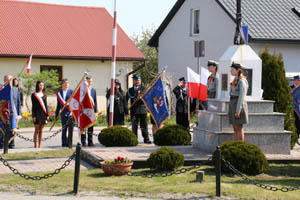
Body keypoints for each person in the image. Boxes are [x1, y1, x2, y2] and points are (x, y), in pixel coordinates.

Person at [126, 74, 151, 144]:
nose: (137, 81)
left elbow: (148, 99)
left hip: (143, 110)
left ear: (140, 81)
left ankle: (146, 139)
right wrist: (126, 111)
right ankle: (134, 139)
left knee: (144, 126)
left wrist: (142, 99)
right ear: (133, 81)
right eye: (135, 80)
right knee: (134, 126)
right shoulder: (130, 90)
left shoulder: (144, 89)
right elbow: (126, 100)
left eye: (138, 80)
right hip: (134, 111)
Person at [228, 62, 249, 141]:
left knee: (239, 128)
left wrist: (238, 111)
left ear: (238, 70)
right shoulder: (235, 80)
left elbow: (241, 97)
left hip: (238, 105)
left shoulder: (242, 81)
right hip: (233, 104)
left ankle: (240, 146)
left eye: (232, 69)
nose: (231, 70)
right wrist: (229, 110)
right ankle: (236, 144)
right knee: (235, 128)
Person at [0, 75, 21, 149]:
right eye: (8, 80)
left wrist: (18, 115)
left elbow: (17, 103)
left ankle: (11, 145)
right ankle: (2, 145)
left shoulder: (15, 90)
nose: (9, 82)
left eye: (10, 80)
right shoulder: (1, 88)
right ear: (4, 80)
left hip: (12, 113)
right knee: (2, 129)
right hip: (2, 113)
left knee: (12, 128)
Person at [55, 78, 74, 147]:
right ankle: (64, 143)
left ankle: (69, 143)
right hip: (63, 114)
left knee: (70, 129)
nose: (66, 84)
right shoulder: (59, 94)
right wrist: (56, 115)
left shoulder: (72, 92)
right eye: (65, 83)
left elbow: (75, 103)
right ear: (62, 84)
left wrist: (69, 104)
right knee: (64, 129)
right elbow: (58, 105)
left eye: (68, 83)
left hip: (71, 113)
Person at [31, 81, 49, 148]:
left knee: (41, 130)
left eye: (42, 85)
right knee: (36, 130)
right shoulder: (34, 95)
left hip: (43, 114)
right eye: (40, 85)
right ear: (37, 86)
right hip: (37, 114)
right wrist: (33, 115)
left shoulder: (44, 95)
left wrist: (47, 115)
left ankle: (40, 144)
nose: (41, 87)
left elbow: (46, 105)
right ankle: (35, 144)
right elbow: (33, 106)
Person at [81, 75, 98, 147]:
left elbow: (95, 101)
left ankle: (90, 142)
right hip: (84, 110)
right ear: (86, 82)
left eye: (91, 81)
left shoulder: (93, 90)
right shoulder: (83, 90)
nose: (90, 82)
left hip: (91, 110)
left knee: (91, 127)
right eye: (88, 81)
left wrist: (96, 111)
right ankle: (83, 142)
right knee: (84, 127)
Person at [291, 75, 300, 144]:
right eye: (296, 80)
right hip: (292, 107)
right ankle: (294, 135)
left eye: (298, 80)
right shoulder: (291, 87)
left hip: (298, 107)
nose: (297, 81)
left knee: (298, 121)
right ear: (294, 80)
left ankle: (297, 135)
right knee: (294, 121)